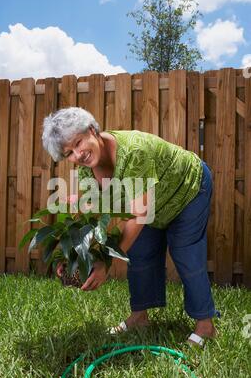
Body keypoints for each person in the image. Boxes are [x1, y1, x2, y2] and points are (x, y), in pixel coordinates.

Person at [42, 107, 219, 346]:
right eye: (69, 153)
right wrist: (72, 256)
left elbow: (139, 215)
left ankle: (205, 326)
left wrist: (106, 262)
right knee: (139, 251)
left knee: (184, 250)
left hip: (188, 190)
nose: (78, 154)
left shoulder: (134, 151)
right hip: (150, 207)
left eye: (78, 142)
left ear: (92, 130)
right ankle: (139, 318)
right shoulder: (86, 172)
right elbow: (94, 217)